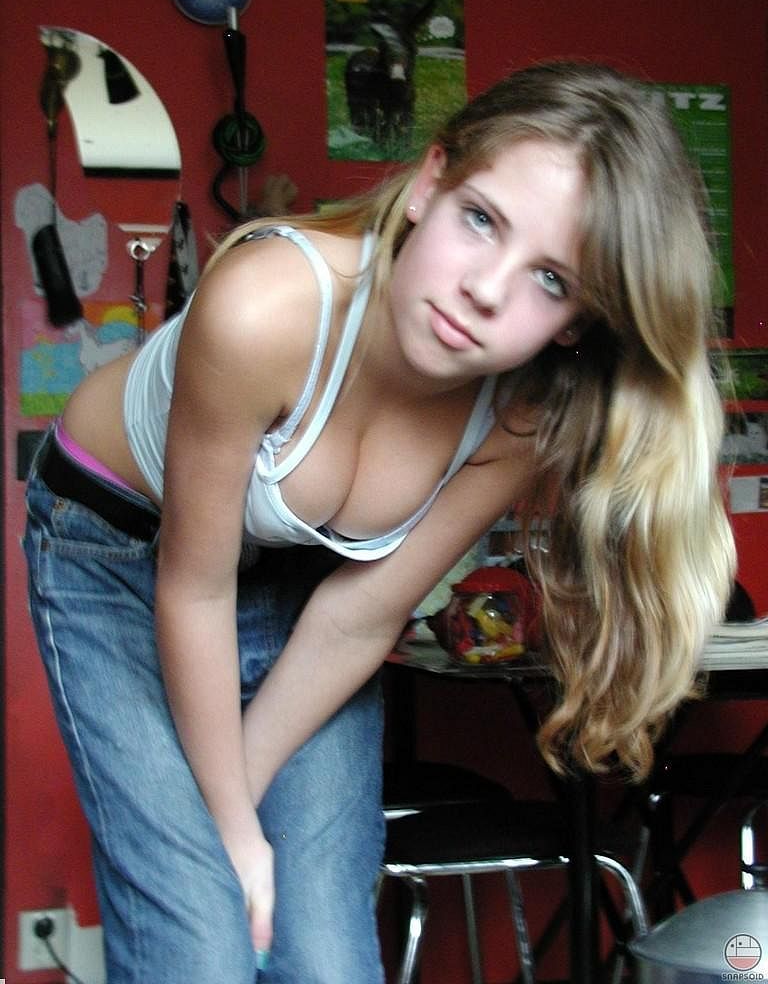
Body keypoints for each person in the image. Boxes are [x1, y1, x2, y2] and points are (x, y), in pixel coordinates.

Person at [23, 60, 735, 983]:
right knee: (200, 943)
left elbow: (360, 617)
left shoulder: (522, 415)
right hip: (116, 553)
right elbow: (195, 588)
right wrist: (228, 830)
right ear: (431, 184)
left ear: (576, 323)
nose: (487, 290)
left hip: (310, 584)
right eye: (481, 219)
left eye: (551, 278)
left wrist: (243, 806)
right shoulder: (263, 308)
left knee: (321, 956)